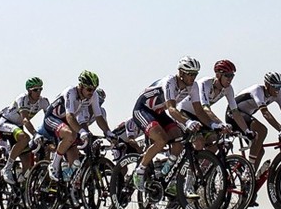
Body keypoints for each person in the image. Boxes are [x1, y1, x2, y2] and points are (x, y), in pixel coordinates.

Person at [227, 72, 281, 201]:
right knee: (262, 130)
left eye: (280, 87)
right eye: (275, 87)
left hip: (247, 116)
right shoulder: (257, 90)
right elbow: (265, 113)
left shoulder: (278, 94)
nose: (277, 90)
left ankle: (248, 184)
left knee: (260, 150)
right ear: (267, 85)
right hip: (234, 116)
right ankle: (248, 170)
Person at [129, 57, 201, 188]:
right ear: (181, 73)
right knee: (162, 140)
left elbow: (199, 110)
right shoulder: (170, 82)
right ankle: (139, 170)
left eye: (195, 74)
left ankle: (164, 173)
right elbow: (172, 109)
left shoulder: (193, 86)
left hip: (159, 112)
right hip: (143, 109)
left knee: (178, 141)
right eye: (190, 74)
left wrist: (213, 125)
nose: (193, 77)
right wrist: (188, 122)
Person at [44, 70, 112, 180]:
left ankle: (67, 183)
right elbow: (70, 116)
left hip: (66, 122)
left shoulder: (92, 95)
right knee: (71, 135)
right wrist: (82, 132)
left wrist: (108, 133)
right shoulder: (71, 92)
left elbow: (99, 117)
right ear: (80, 86)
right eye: (89, 89)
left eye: (94, 89)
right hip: (53, 118)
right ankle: (54, 165)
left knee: (75, 162)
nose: (92, 92)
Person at [0, 78, 50, 183]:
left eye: (40, 89)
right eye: (35, 90)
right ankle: (7, 168)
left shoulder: (43, 101)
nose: (38, 92)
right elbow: (25, 120)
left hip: (18, 127)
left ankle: (21, 187)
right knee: (25, 137)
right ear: (29, 91)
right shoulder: (22, 98)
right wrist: (35, 134)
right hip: (7, 123)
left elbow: (50, 119)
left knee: (27, 161)